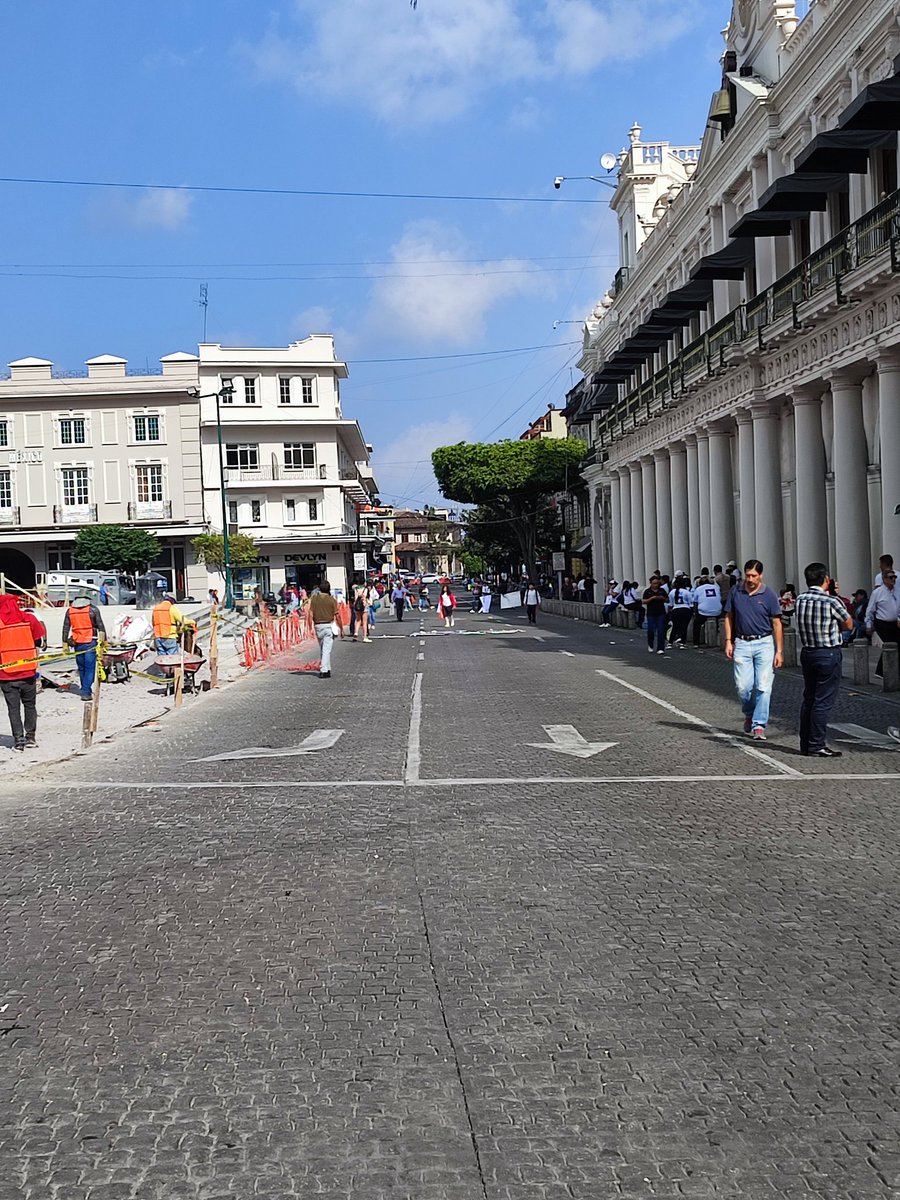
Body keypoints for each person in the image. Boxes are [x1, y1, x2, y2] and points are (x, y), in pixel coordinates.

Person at [795, 561, 854, 758]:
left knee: (809, 698)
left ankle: (806, 743)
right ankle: (817, 744)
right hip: (827, 653)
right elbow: (848, 624)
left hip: (808, 652)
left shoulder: (800, 599)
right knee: (823, 701)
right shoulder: (831, 601)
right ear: (826, 580)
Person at [723, 559, 784, 740]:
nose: (750, 579)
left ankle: (759, 724)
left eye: (754, 576)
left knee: (763, 686)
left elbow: (777, 623)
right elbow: (729, 617)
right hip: (741, 642)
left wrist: (779, 651)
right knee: (743, 686)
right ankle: (749, 712)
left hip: (764, 643)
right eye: (748, 575)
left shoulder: (769, 595)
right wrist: (728, 641)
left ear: (761, 576)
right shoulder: (736, 591)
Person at [0, 595, 46, 750]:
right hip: (28, 671)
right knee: (30, 705)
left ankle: (19, 740)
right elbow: (39, 640)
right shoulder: (29, 619)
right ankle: (31, 738)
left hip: (6, 673)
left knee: (13, 708)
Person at [62, 595, 107, 700]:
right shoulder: (93, 609)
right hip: (90, 641)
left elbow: (65, 627)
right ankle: (86, 691)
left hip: (77, 642)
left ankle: (84, 688)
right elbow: (101, 626)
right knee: (89, 668)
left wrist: (64, 643)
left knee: (81, 668)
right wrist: (105, 641)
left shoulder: (70, 611)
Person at [864, 567, 900, 678]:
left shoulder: (897, 591)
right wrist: (868, 625)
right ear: (884, 579)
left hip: (895, 622)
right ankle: (881, 670)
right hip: (882, 623)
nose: (893, 579)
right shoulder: (877, 593)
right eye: (890, 577)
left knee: (896, 645)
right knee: (890, 644)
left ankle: (887, 670)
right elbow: (870, 610)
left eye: (894, 577)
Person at [308, 580, 342, 678]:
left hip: (318, 626)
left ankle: (327, 668)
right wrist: (341, 628)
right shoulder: (331, 600)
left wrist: (310, 627)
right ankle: (323, 670)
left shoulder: (314, 599)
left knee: (323, 648)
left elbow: (310, 615)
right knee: (326, 649)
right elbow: (337, 615)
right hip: (328, 626)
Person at [691, 572, 722, 647]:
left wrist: (695, 613)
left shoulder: (698, 589)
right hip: (717, 611)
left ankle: (696, 643)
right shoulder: (716, 587)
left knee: (696, 624)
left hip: (703, 612)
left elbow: (695, 603)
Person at [642, 576, 669, 654]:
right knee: (650, 630)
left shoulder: (662, 590)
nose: (655, 585)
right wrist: (652, 598)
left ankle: (660, 648)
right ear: (651, 583)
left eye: (657, 583)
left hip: (661, 612)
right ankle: (650, 644)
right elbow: (644, 601)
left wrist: (662, 598)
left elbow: (667, 600)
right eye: (654, 583)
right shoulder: (647, 591)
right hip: (651, 613)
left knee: (661, 631)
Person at [668, 573, 693, 647]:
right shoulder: (687, 592)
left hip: (676, 609)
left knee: (675, 627)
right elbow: (691, 604)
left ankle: (670, 642)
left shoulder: (672, 592)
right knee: (684, 627)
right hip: (685, 609)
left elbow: (671, 604)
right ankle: (682, 642)